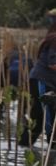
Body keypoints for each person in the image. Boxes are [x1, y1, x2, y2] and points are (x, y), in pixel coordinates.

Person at [28, 7, 56, 141]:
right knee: (43, 115)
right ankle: (27, 145)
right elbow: (52, 64)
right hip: (43, 80)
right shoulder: (54, 38)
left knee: (43, 115)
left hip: (48, 80)